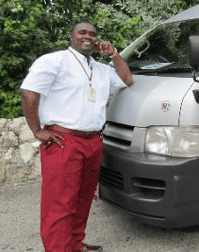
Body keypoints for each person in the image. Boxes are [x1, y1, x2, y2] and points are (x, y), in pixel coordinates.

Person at [21, 21, 133, 252]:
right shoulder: (55, 61)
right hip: (64, 141)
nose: (88, 36)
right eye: (82, 32)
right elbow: (30, 93)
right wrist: (37, 130)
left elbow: (126, 80)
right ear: (72, 36)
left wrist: (114, 54)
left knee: (82, 200)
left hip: (93, 141)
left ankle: (74, 244)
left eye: (92, 34)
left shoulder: (101, 69)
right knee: (60, 204)